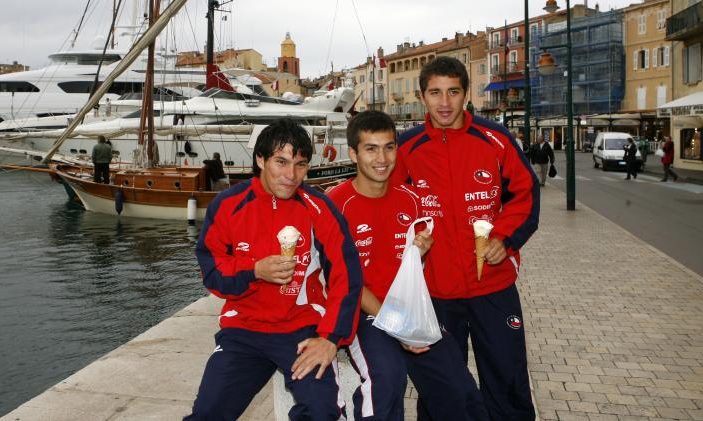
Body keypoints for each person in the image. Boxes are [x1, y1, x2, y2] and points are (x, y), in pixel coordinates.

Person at [392, 56, 539, 421]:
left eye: (453, 92)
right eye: (436, 93)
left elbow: (525, 195)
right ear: (422, 97)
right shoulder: (406, 149)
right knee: (442, 390)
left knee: (508, 381)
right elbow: (388, 209)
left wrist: (504, 240)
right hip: (435, 294)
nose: (444, 103)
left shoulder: (495, 139)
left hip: (493, 286)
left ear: (466, 94)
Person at [185, 118, 362, 421]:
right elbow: (212, 272)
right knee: (206, 413)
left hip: (301, 330)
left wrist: (331, 339)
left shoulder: (319, 207)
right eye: (281, 162)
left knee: (322, 412)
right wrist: (254, 271)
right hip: (243, 330)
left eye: (300, 165)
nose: (291, 175)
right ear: (260, 159)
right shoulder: (228, 205)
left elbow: (348, 277)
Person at [328, 111, 487, 421]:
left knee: (459, 385)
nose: (382, 158)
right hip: (365, 315)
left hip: (410, 309)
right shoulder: (336, 205)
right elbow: (345, 282)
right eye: (371, 148)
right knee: (386, 378)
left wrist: (421, 253)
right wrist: (397, 324)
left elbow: (410, 270)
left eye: (389, 147)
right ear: (353, 153)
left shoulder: (411, 200)